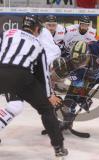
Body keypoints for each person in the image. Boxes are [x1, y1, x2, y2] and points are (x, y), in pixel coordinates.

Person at [0, 15, 68, 158]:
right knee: (46, 110)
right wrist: (49, 95)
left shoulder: (8, 33)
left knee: (15, 106)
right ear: (37, 28)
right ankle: (59, 147)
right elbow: (43, 75)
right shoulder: (38, 45)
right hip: (22, 77)